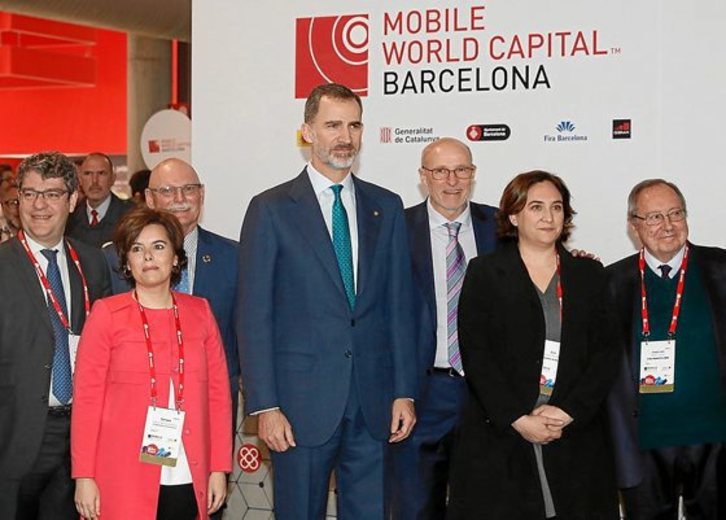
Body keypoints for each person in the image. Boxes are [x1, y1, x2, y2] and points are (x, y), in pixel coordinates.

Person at [237, 82, 418, 519]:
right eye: (333, 125)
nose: (345, 137)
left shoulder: (387, 207)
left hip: (374, 404)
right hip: (298, 407)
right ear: (307, 132)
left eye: (354, 126)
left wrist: (404, 392)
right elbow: (254, 315)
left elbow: (400, 308)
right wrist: (265, 405)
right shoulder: (271, 209)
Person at [448, 170, 619, 519]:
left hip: (573, 431)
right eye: (536, 207)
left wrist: (568, 411)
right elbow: (476, 354)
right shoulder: (484, 273)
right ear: (514, 216)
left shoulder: (590, 275)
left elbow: (606, 353)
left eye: (557, 207)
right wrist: (516, 418)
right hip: (503, 433)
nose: (548, 217)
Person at [71, 206, 232, 520]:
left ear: (176, 257)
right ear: (127, 263)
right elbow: (88, 401)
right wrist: (84, 475)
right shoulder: (106, 315)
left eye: (158, 246)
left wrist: (219, 468)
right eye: (136, 248)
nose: (148, 256)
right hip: (121, 471)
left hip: (190, 467)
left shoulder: (200, 312)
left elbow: (218, 397)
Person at [388, 137, 497, 519]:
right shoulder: (396, 229)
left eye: (461, 170)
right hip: (421, 395)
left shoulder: (501, 227)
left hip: (487, 397)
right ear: (423, 176)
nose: (452, 181)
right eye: (440, 171)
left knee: (484, 508)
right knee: (414, 509)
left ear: (473, 174)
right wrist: (399, 392)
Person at [0, 152, 111, 519]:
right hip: (13, 439)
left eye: (51, 194)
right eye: (29, 194)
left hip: (79, 438)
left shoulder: (93, 263)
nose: (39, 205)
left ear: (73, 200)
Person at [607, 179, 726, 519]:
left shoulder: (720, 268)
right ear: (634, 226)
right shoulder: (610, 282)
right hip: (643, 444)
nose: (668, 225)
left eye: (676, 213)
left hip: (715, 441)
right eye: (655, 217)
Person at [104, 158, 240, 436]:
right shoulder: (114, 258)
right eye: (167, 191)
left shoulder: (235, 257)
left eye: (189, 189)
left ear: (201, 194)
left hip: (209, 410)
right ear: (149, 198)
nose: (180, 199)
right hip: (133, 411)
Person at [65, 152, 132, 248]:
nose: (94, 181)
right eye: (88, 174)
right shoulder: (69, 218)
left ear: (113, 179)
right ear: (80, 180)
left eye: (101, 173)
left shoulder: (131, 215)